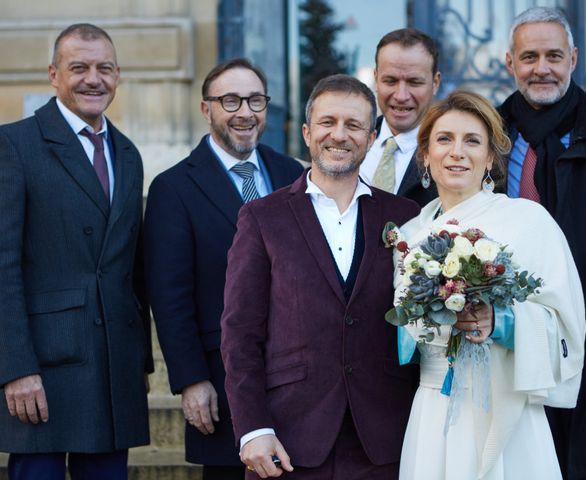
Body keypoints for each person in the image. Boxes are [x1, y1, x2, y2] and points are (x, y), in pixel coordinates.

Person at [220, 74, 421, 479]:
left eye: (354, 125)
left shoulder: (405, 218)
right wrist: (252, 428)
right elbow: (240, 333)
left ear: (372, 135)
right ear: (308, 132)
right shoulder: (262, 217)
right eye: (328, 122)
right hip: (289, 438)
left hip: (385, 437)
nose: (339, 135)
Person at [395, 90, 586, 480]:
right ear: (425, 156)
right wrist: (427, 318)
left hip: (505, 404)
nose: (457, 152)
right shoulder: (410, 235)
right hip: (433, 405)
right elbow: (402, 339)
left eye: (472, 141)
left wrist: (499, 321)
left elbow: (567, 324)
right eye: (444, 139)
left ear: (490, 158)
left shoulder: (529, 221)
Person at [0, 23, 152, 480]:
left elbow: (130, 267)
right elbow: (2, 265)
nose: (93, 79)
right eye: (78, 68)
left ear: (118, 76)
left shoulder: (127, 153)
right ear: (53, 74)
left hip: (113, 366)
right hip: (43, 370)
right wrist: (15, 368)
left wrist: (140, 358)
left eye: (104, 68)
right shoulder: (14, 144)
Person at [498, 7, 586, 479]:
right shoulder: (485, 143)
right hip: (504, 356)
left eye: (554, 55)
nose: (542, 68)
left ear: (574, 58)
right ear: (509, 62)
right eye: (530, 56)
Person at [144, 58, 303, 479]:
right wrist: (191, 379)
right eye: (230, 100)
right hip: (221, 377)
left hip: (296, 375)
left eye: (255, 100)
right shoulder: (173, 188)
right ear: (206, 109)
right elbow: (169, 295)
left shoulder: (292, 173)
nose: (245, 112)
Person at [359, 28, 441, 206]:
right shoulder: (352, 142)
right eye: (390, 81)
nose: (401, 95)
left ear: (435, 83)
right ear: (376, 79)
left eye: (414, 82)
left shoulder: (451, 154)